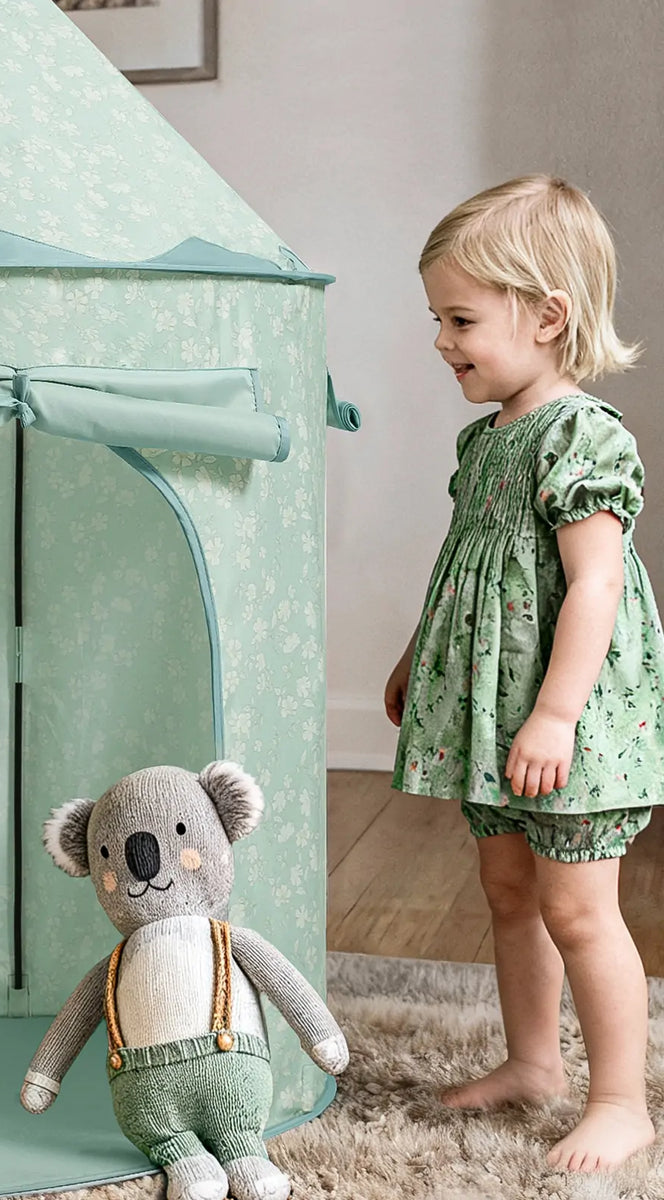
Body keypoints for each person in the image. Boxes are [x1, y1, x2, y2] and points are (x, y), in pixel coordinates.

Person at [385, 175, 664, 1173]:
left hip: (569, 717)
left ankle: (623, 1100)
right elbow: (471, 564)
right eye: (438, 318)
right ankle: (533, 1062)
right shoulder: (487, 439)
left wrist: (555, 714)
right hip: (497, 713)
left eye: (460, 318)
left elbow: (593, 585)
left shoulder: (583, 436)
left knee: (578, 906)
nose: (441, 340)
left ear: (548, 316)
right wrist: (421, 657)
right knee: (508, 889)